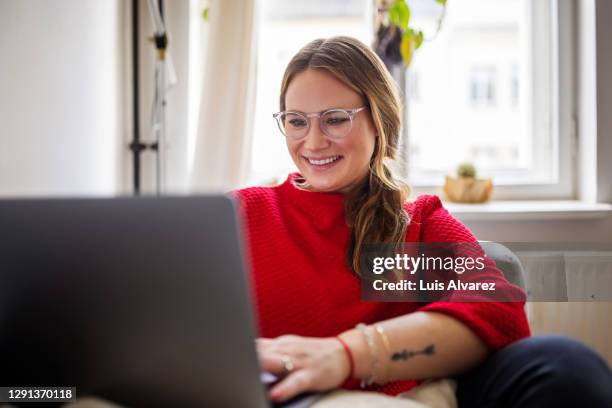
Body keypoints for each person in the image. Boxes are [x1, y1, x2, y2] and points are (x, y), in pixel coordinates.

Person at [235, 36, 612, 407]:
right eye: (296, 121)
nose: (313, 142)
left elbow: (498, 311)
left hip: (403, 400)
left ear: (379, 120)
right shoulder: (240, 216)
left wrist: (346, 355)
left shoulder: (414, 225)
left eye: (335, 120)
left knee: (566, 363)